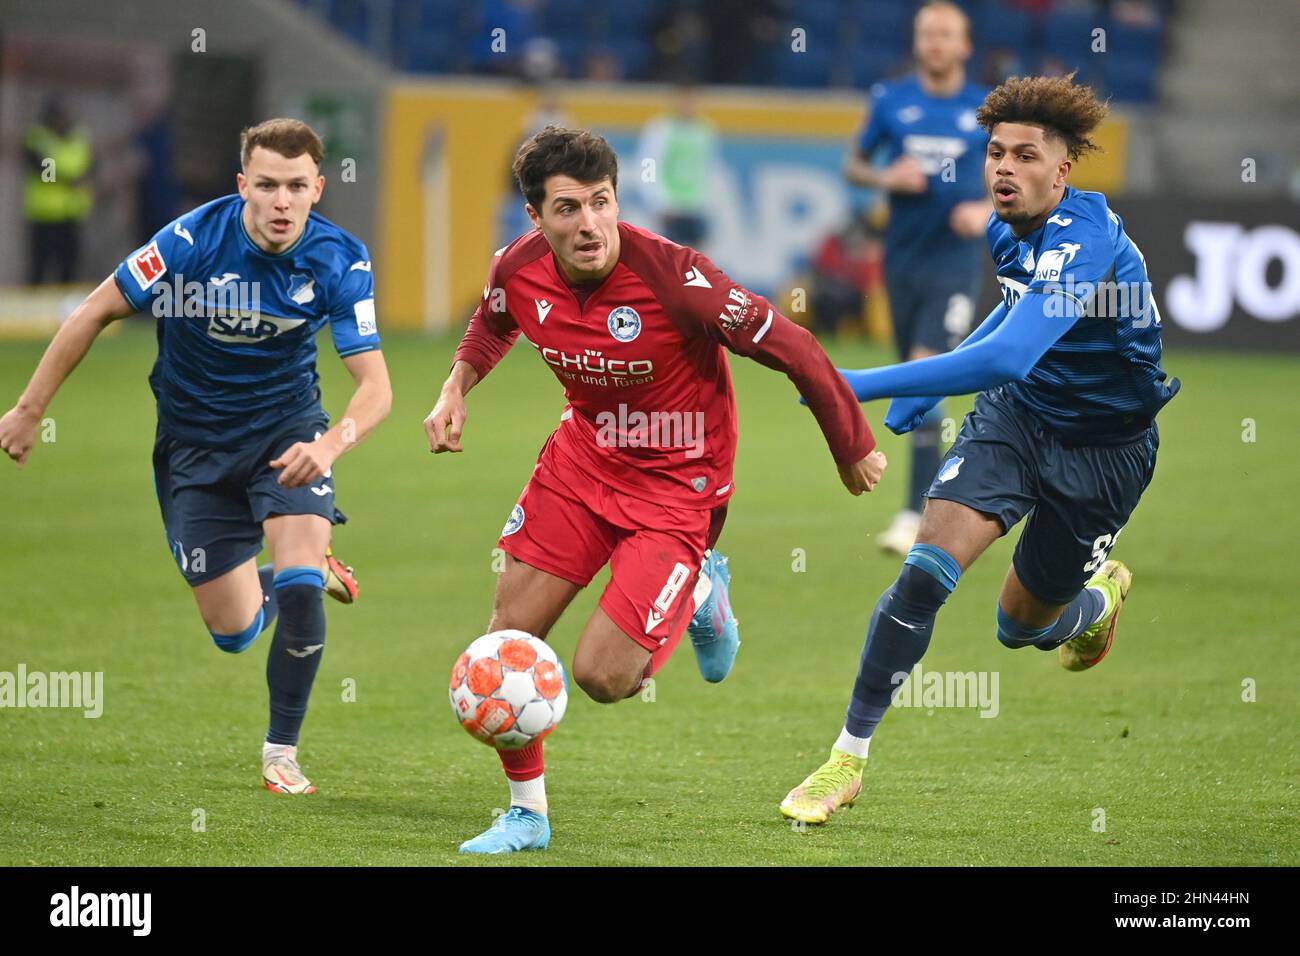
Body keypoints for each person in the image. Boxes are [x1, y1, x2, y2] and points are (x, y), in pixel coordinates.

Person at [424, 126, 887, 854]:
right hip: (581, 464)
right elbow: (490, 326)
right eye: (568, 209)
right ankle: (528, 813)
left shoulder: (677, 278)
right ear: (536, 220)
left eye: (601, 203)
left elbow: (792, 346)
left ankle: (701, 589)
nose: (589, 225)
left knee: (603, 677)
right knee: (504, 643)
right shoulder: (517, 269)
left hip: (679, 484)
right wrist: (457, 385)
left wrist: (851, 445)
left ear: (618, 199)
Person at [780, 74, 1179, 825]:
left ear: (1061, 171)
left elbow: (1011, 353)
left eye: (1026, 155)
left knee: (1018, 626)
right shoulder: (1007, 229)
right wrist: (937, 388)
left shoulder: (1088, 241)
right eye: (996, 152)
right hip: (1018, 421)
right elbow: (1005, 324)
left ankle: (1094, 603)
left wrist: (859, 381)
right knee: (924, 573)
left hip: (1107, 450)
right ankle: (846, 758)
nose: (1004, 168)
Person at [0, 119, 392, 796]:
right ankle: (295, 571)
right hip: (195, 449)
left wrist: (327, 447)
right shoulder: (189, 241)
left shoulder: (340, 259)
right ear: (243, 185)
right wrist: (30, 409)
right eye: (266, 185)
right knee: (234, 631)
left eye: (296, 187)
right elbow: (94, 310)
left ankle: (282, 752)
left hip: (287, 436)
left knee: (301, 596)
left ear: (316, 189)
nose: (280, 201)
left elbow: (376, 385)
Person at [845, 0, 993, 555]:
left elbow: (1009, 176)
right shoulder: (891, 99)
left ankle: (914, 514)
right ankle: (946, 500)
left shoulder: (983, 108)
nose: (934, 42)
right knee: (919, 381)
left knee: (925, 374)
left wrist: (986, 210)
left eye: (945, 34)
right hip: (900, 259)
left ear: (964, 46)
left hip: (953, 262)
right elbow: (854, 165)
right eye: (926, 33)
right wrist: (886, 174)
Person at [23, 97, 94, 285]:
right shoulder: (39, 138)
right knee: (40, 266)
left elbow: (91, 168)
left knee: (69, 266)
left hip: (71, 213)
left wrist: (78, 180)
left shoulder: (79, 138)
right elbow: (44, 171)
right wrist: (70, 179)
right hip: (44, 214)